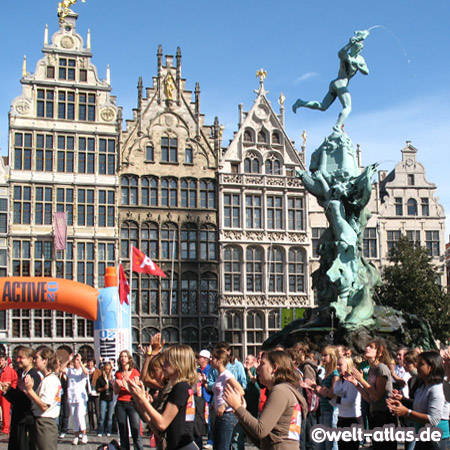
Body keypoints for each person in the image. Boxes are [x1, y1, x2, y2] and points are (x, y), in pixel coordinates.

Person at [223, 350, 308, 450]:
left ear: (275, 368)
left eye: (262, 364)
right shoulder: (286, 390)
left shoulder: (280, 391)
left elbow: (260, 430)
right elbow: (263, 439)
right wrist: (240, 413)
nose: (257, 368)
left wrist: (237, 407)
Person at [292, 30, 370, 132]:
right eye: (356, 47)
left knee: (323, 106)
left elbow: (366, 72)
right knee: (348, 107)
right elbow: (340, 54)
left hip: (335, 84)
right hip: (340, 84)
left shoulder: (360, 59)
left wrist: (358, 66)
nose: (358, 50)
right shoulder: (347, 56)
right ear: (353, 47)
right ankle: (338, 126)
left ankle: (301, 102)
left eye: (359, 48)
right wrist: (349, 44)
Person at [126, 344, 199, 450]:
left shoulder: (181, 387)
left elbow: (162, 423)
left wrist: (142, 399)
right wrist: (139, 401)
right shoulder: (179, 387)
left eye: (167, 362)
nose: (164, 365)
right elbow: (159, 431)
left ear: (178, 364)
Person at [344, 340, 397, 450]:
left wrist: (361, 380)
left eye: (371, 347)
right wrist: (357, 384)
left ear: (379, 352)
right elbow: (370, 398)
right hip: (375, 415)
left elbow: (378, 395)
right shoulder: (372, 369)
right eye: (367, 346)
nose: (367, 348)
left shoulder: (381, 368)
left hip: (385, 416)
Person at [388, 351, 445, 450]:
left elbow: (433, 420)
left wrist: (407, 412)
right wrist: (400, 403)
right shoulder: (422, 387)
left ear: (431, 367)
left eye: (421, 364)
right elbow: (417, 406)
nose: (417, 366)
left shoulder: (436, 388)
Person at [1, 346, 41, 450]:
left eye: (21, 357)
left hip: (25, 419)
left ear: (30, 359)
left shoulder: (33, 375)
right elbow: (18, 398)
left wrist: (11, 391)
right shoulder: (21, 373)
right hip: (18, 418)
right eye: (17, 357)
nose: (17, 360)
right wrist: (7, 390)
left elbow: (27, 400)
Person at [23, 346, 61, 450]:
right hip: (42, 423)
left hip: (44, 423)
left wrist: (30, 390)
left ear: (45, 360)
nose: (34, 361)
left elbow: (44, 406)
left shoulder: (49, 381)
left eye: (37, 358)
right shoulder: (48, 379)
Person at [210, 349, 245, 450]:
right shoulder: (219, 375)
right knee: (217, 445)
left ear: (220, 360)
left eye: (213, 358)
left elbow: (240, 391)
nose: (211, 360)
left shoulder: (227, 375)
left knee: (223, 446)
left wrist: (224, 405)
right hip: (219, 414)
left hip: (227, 415)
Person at [306, 346, 339, 450]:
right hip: (324, 410)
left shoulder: (335, 374)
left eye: (325, 355)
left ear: (332, 357)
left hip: (331, 410)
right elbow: (323, 394)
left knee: (331, 443)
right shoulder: (326, 372)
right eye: (322, 355)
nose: (322, 358)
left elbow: (334, 393)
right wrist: (315, 388)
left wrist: (321, 390)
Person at [114, 350, 143, 450]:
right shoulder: (118, 373)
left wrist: (126, 385)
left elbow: (138, 390)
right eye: (121, 356)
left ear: (129, 359)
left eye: (125, 356)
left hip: (132, 403)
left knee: (135, 431)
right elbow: (115, 391)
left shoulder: (135, 372)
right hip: (120, 403)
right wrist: (119, 386)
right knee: (123, 432)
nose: (123, 358)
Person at [334, 356, 361, 450]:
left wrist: (336, 398)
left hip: (353, 420)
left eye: (340, 364)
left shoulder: (352, 381)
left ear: (348, 366)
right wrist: (325, 394)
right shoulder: (339, 382)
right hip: (341, 419)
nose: (337, 367)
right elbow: (334, 403)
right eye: (337, 364)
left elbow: (350, 401)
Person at [63, 353, 89, 445]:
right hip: (72, 396)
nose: (75, 362)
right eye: (75, 360)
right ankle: (76, 436)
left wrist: (80, 362)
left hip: (81, 397)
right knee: (73, 417)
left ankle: (84, 434)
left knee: (80, 415)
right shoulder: (70, 371)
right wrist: (68, 360)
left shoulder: (82, 370)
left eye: (77, 360)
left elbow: (86, 373)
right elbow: (61, 369)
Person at [0, 352, 18, 435]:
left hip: (5, 393)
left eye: (2, 360)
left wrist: (11, 389)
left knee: (6, 411)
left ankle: (5, 429)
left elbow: (15, 381)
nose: (0, 361)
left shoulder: (10, 370)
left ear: (5, 361)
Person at [96, 362, 115, 437]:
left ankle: (109, 430)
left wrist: (112, 385)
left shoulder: (111, 378)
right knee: (102, 416)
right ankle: (100, 430)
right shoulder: (100, 379)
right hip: (103, 398)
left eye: (108, 369)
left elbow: (114, 388)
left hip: (110, 399)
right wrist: (103, 388)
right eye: (106, 369)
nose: (107, 371)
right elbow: (97, 389)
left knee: (110, 417)